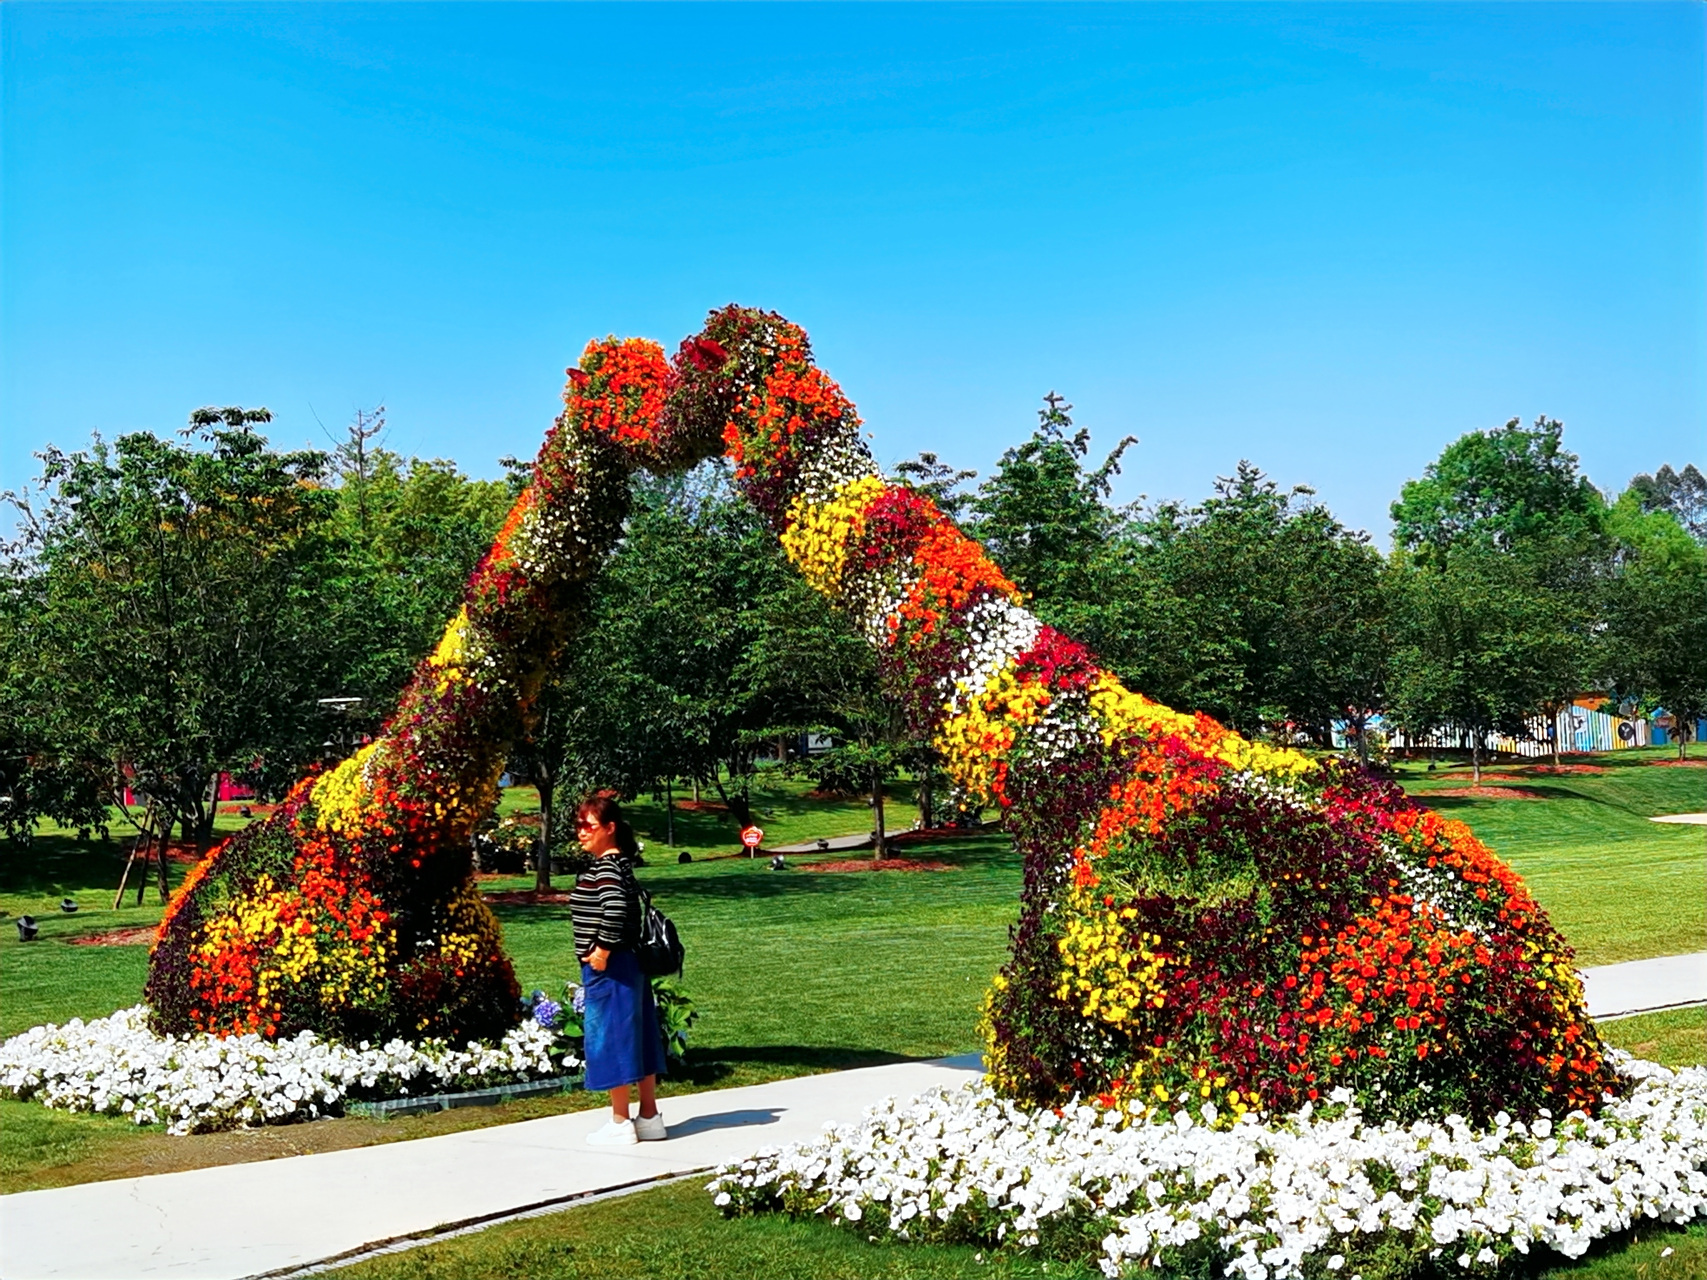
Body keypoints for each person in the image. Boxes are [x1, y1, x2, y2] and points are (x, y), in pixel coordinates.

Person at [570, 791, 667, 1145]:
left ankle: (620, 1121)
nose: (581, 832)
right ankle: (649, 1116)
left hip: (611, 967)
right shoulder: (621, 864)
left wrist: (601, 951)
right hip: (630, 965)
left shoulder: (606, 868)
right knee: (638, 1037)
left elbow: (614, 910)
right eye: (579, 825)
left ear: (609, 828)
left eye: (588, 825)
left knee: (611, 1038)